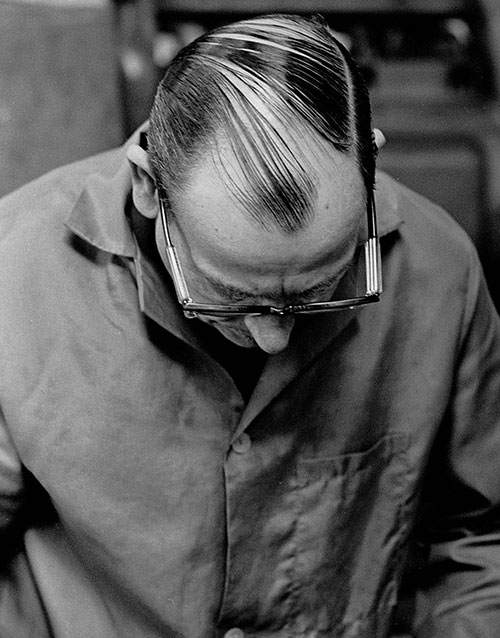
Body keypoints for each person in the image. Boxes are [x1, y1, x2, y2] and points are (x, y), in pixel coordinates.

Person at [1, 12, 500, 638]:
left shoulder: (441, 271)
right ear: (149, 187)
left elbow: (476, 539)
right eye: (229, 296)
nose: (275, 337)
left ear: (369, 166)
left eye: (321, 288)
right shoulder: (16, 273)